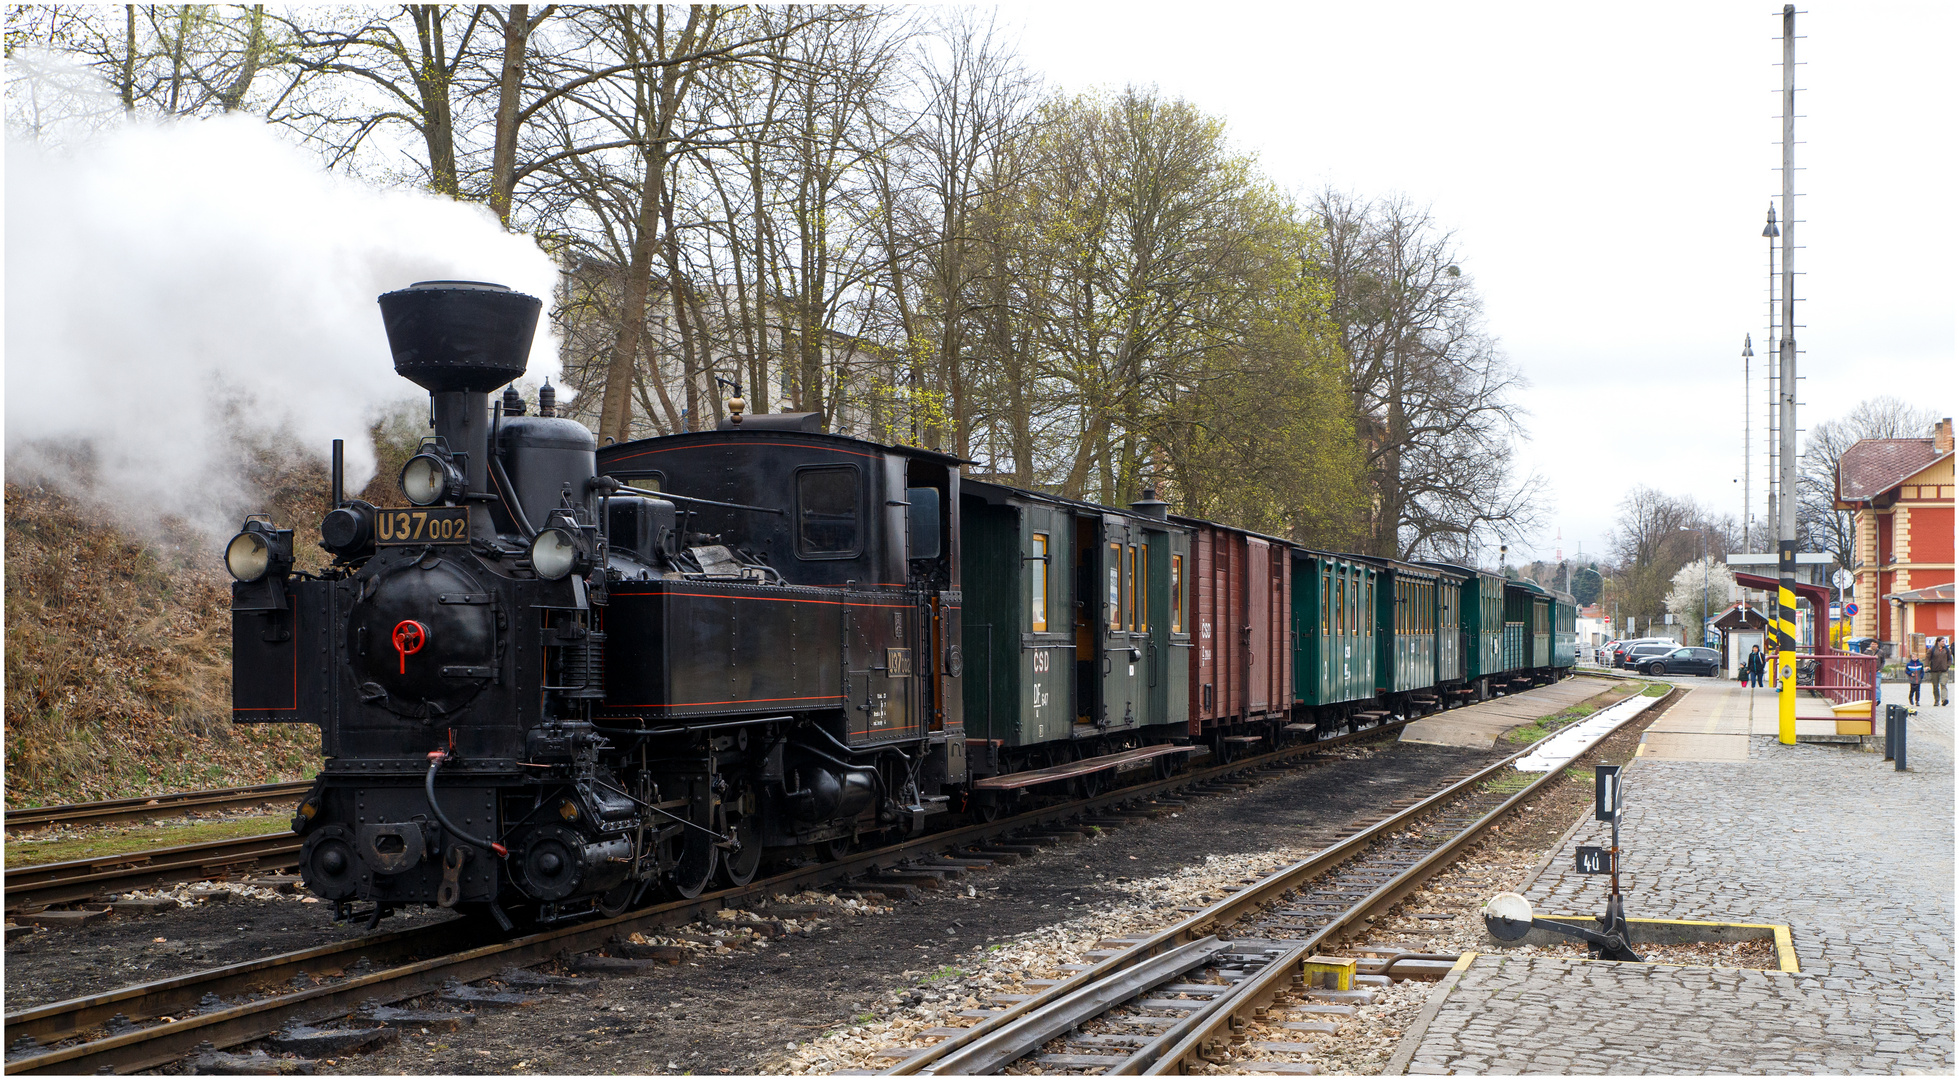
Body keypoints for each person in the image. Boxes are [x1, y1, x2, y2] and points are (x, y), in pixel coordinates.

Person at [1929, 637, 1952, 707]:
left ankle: (1944, 699)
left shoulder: (1946, 650)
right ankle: (1936, 700)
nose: (1944, 643)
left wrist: (1947, 665)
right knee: (1935, 686)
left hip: (1943, 671)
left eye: (1944, 641)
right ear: (1938, 642)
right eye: (1942, 641)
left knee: (1943, 684)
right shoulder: (1932, 649)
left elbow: (1950, 659)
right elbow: (1927, 658)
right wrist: (1927, 665)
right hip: (1934, 671)